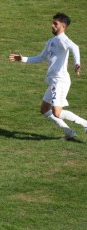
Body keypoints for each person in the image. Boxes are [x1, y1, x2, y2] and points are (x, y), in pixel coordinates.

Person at [9, 12, 86, 140]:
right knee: (45, 109)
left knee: (57, 112)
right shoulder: (51, 41)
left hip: (60, 81)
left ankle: (85, 124)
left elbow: (75, 47)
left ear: (63, 26)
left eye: (55, 24)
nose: (52, 25)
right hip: (53, 81)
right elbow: (41, 58)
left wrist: (77, 63)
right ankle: (69, 133)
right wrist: (22, 59)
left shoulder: (63, 40)